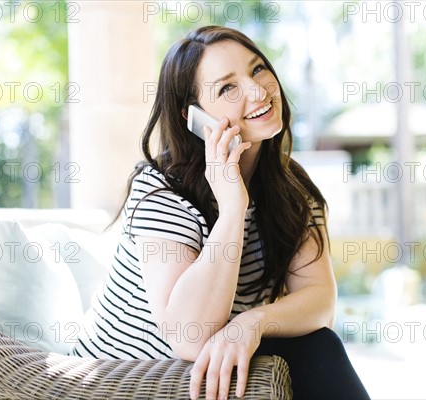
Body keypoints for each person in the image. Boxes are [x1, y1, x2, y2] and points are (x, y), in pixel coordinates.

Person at [72, 25, 370, 400]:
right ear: (193, 117)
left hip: (209, 375)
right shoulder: (161, 189)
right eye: (228, 88)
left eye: (258, 69)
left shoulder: (291, 187)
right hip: (122, 380)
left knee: (317, 346)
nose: (259, 91)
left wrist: (251, 323)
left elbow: (319, 300)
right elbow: (189, 336)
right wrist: (232, 207)